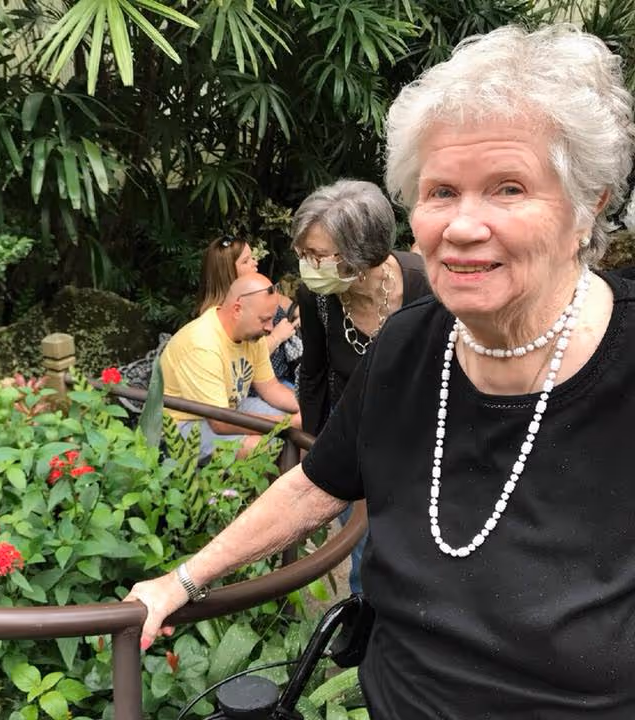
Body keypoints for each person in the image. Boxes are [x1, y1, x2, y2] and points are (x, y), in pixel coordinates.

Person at [127, 24, 635, 718]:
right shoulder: (406, 346)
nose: (462, 225)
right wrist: (182, 579)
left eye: (509, 188)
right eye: (441, 191)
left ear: (589, 205)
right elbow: (317, 484)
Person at [293, 179, 430, 593]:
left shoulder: (425, 285)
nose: (308, 265)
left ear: (360, 255)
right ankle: (362, 629)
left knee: (418, 540)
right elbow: (313, 373)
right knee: (362, 545)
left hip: (419, 430)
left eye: (317, 255)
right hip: (353, 426)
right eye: (302, 254)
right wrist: (316, 452)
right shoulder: (316, 295)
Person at [161, 272, 301, 460]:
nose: (270, 328)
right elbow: (220, 423)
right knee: (262, 447)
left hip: (229, 408)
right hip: (185, 424)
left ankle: (300, 487)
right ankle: (271, 488)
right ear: (237, 310)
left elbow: (271, 387)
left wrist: (309, 409)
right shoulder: (202, 344)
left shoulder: (252, 336)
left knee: (307, 428)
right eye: (264, 319)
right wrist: (288, 423)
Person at [195, 235, 301, 387]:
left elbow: (280, 300)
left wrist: (297, 311)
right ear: (228, 272)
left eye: (252, 257)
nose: (255, 263)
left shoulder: (256, 291)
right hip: (254, 388)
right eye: (246, 261)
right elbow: (239, 359)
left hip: (284, 376)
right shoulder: (225, 315)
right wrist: (277, 336)